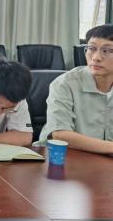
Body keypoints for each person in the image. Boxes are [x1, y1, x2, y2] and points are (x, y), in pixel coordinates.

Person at [38, 24, 113, 153]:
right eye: (91, 49)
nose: (96, 57)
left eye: (106, 51)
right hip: (60, 156)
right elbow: (60, 135)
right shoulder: (65, 83)